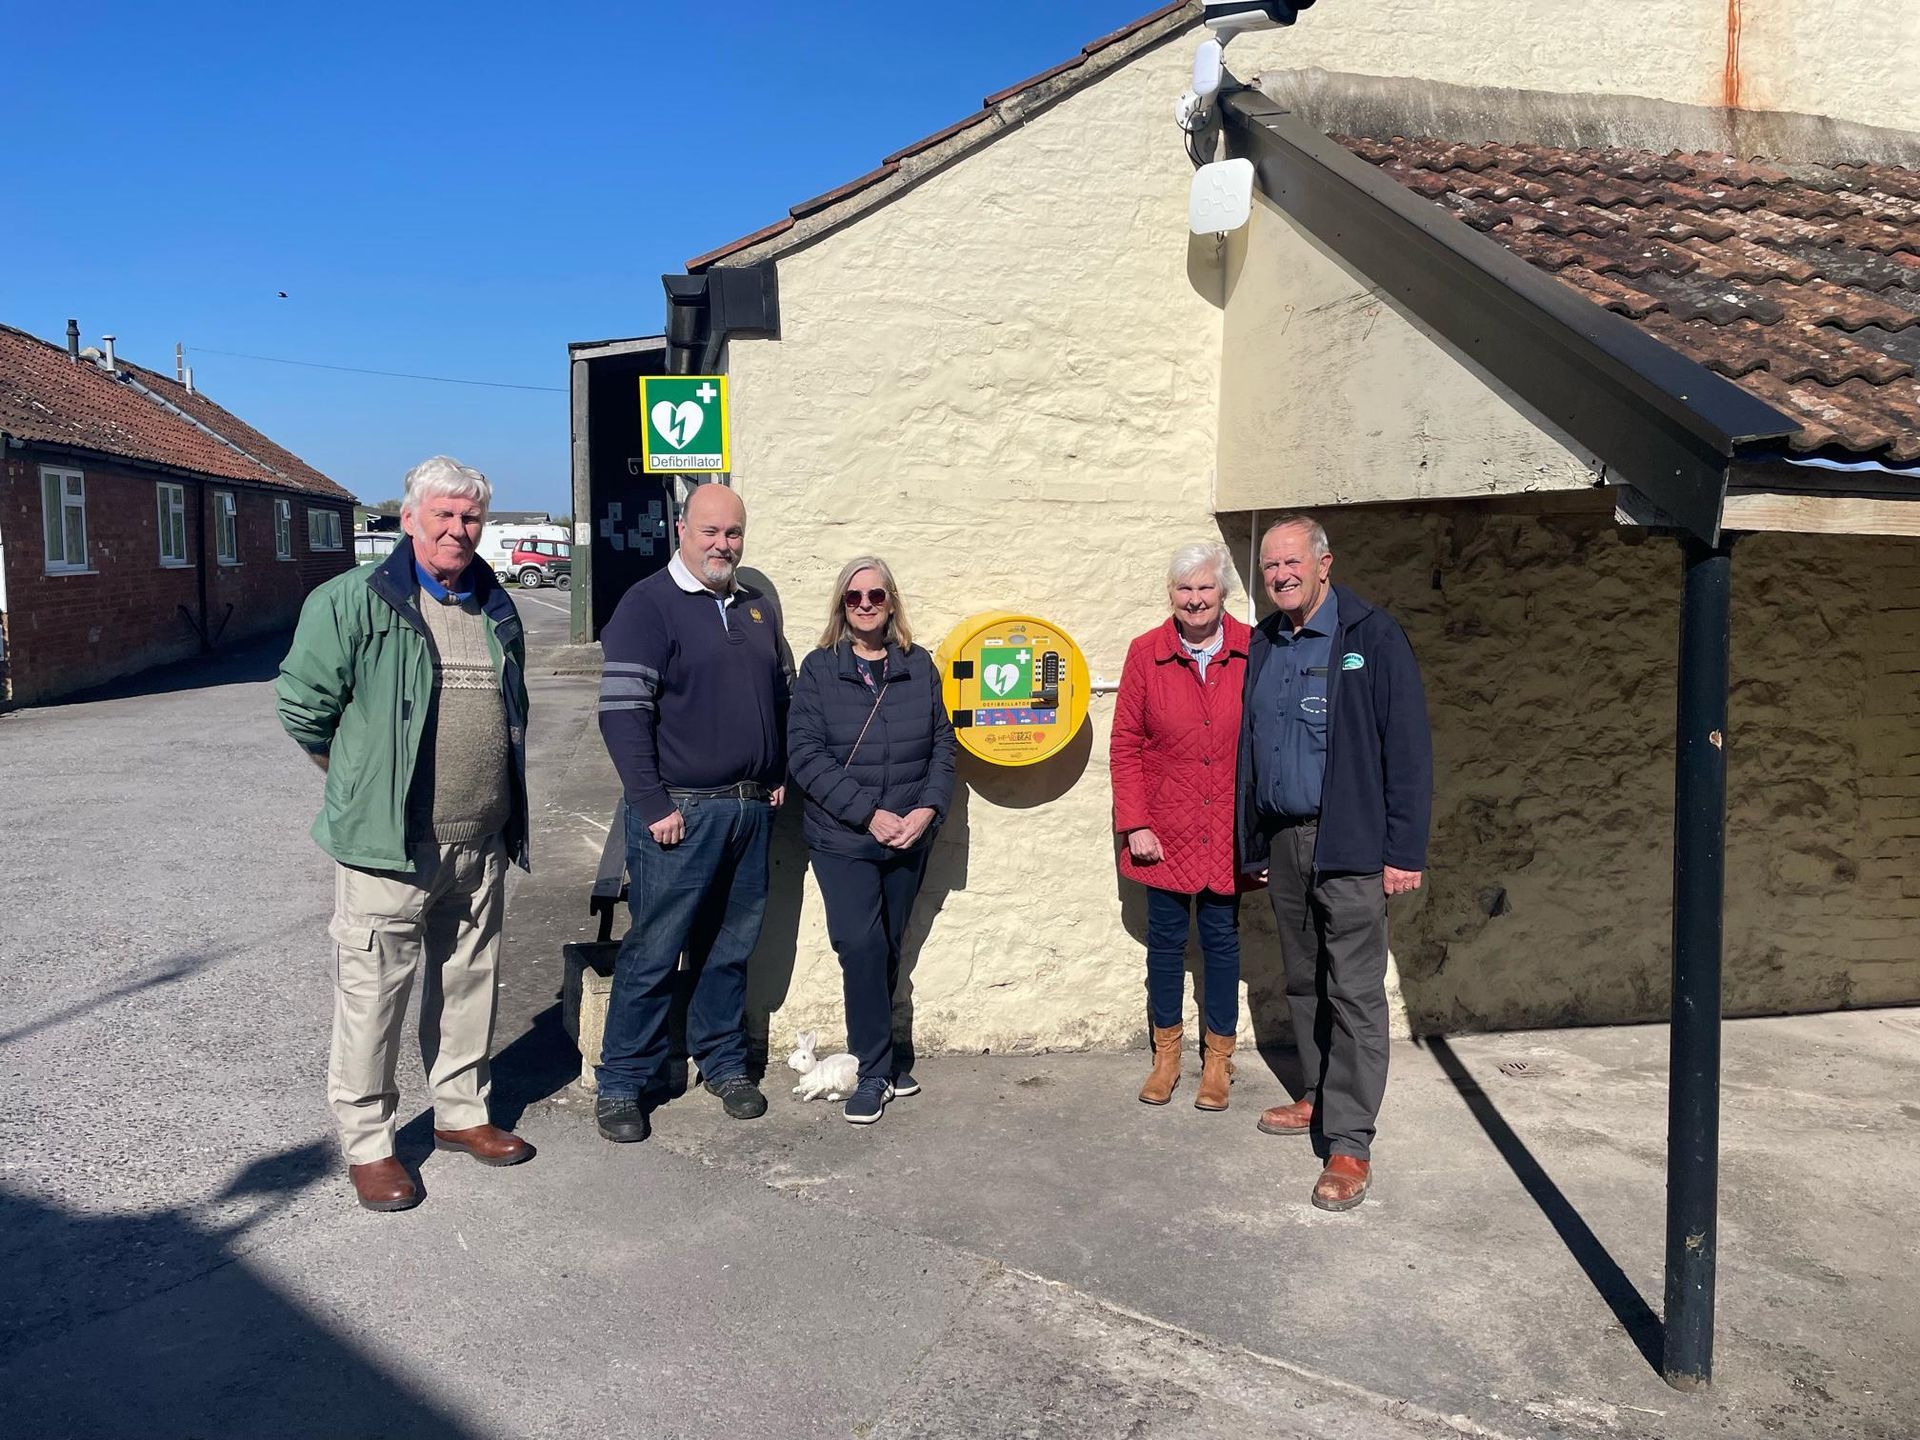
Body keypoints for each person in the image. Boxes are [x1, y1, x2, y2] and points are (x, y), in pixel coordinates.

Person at [277, 455, 533, 1213]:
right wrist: (358, 784)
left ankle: (460, 1113)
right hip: (388, 846)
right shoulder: (353, 600)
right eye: (443, 514)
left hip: (479, 839)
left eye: (471, 516)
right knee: (373, 997)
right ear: (409, 518)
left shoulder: (495, 605)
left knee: (469, 985)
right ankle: (369, 1144)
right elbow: (303, 708)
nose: (459, 529)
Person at [1235, 514, 1432, 1213]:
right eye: (1270, 566)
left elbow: (1406, 747)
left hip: (1349, 843)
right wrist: (1253, 842)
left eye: (1292, 562)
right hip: (1284, 841)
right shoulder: (1264, 642)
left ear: (1324, 564)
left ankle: (1349, 1141)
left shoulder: (1370, 636)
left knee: (1353, 992)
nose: (1281, 575)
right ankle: (1318, 1096)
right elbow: (1251, 747)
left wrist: (1403, 851)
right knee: (1304, 981)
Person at [593, 483, 789, 1143]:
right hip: (678, 814)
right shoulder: (647, 605)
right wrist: (652, 802)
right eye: (710, 531)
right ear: (681, 529)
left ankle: (724, 1063)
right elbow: (623, 712)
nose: (722, 545)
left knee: (729, 950)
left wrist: (776, 773)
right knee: (654, 951)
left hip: (747, 810)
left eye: (733, 533)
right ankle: (623, 1081)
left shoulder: (757, 607)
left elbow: (779, 696)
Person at [785, 557, 957, 1125]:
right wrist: (869, 814)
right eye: (854, 596)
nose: (865, 605)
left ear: (891, 602)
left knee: (887, 945)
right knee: (859, 946)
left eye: (876, 595)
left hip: (908, 836)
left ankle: (879, 1052)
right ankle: (873, 1069)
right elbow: (805, 755)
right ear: (841, 604)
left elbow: (942, 744)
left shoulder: (917, 665)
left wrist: (927, 809)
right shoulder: (819, 669)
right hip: (843, 837)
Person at [1110, 542, 1255, 1111]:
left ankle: (1218, 1060)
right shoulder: (1145, 652)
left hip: (1226, 826)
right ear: (1171, 594)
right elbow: (1126, 744)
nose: (1195, 599)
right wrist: (1135, 823)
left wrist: (1259, 828)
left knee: (1221, 941)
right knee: (1166, 944)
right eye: (1184, 588)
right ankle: (1166, 1056)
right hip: (1164, 829)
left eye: (1205, 587)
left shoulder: (1253, 649)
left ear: (1224, 592)